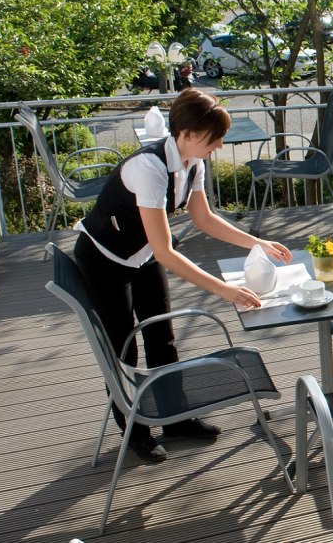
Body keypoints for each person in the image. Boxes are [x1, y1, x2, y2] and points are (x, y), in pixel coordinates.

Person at [72, 88, 293, 462]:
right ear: (188, 133)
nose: (220, 146)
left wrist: (256, 242)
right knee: (124, 346)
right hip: (105, 260)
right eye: (214, 138)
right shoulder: (149, 168)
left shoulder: (193, 163)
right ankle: (135, 431)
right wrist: (224, 289)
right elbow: (166, 252)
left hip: (141, 255)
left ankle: (175, 418)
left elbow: (203, 219)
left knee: (163, 337)